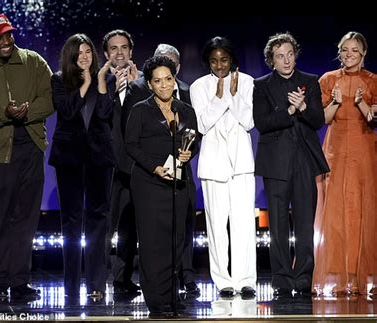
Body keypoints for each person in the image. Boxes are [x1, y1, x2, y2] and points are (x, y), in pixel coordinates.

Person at [0, 14, 54, 300]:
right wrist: (3, 115)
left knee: (26, 217)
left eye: (8, 35)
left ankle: (19, 281)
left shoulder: (33, 61)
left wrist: (27, 112)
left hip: (30, 145)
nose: (6, 42)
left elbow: (51, 98)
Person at [253, 32, 329, 297]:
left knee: (305, 224)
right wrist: (288, 111)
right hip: (275, 163)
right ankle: (282, 278)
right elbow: (262, 123)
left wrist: (305, 106)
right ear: (271, 60)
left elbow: (318, 120)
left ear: (295, 55)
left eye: (289, 54)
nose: (286, 60)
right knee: (277, 226)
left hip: (305, 161)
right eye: (279, 56)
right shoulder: (261, 85)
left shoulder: (310, 81)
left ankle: (304, 277)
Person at [123, 43, 200, 295]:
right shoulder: (140, 110)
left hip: (178, 184)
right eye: (158, 81)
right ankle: (155, 298)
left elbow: (193, 138)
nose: (164, 85)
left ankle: (170, 295)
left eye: (168, 79)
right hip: (149, 184)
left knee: (176, 241)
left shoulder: (185, 110)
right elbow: (131, 145)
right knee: (152, 243)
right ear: (150, 85)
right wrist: (154, 167)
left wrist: (190, 152)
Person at [48, 33, 116, 303]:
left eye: (88, 51)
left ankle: (97, 283)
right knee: (72, 221)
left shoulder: (106, 79)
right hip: (69, 159)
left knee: (99, 219)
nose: (85, 56)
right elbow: (65, 111)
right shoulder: (58, 80)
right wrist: (85, 84)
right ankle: (72, 282)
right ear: (70, 56)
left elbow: (105, 115)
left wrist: (98, 83)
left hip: (100, 158)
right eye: (79, 53)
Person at [190, 36, 256, 298]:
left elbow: (248, 121)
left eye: (224, 60)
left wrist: (233, 94)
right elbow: (203, 125)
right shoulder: (198, 86)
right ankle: (223, 280)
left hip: (241, 164)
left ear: (232, 60)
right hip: (213, 165)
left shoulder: (248, 82)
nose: (219, 65)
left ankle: (246, 279)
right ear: (208, 61)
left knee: (243, 226)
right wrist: (219, 97)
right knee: (216, 226)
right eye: (214, 61)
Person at [313, 31, 377, 296]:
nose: (349, 55)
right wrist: (337, 102)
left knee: (363, 207)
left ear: (363, 54)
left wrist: (362, 103)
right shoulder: (328, 79)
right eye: (345, 50)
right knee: (336, 210)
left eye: (354, 51)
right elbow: (323, 119)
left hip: (364, 148)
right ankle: (338, 277)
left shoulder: (373, 80)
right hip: (335, 148)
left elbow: (373, 120)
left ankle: (363, 278)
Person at [102, 29, 142, 295]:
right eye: (114, 48)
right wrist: (109, 91)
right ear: (106, 55)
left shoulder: (144, 83)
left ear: (130, 52)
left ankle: (122, 278)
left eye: (124, 47)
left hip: (132, 164)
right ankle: (97, 278)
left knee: (129, 226)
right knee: (104, 225)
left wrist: (139, 88)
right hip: (105, 164)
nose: (119, 53)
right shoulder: (98, 81)